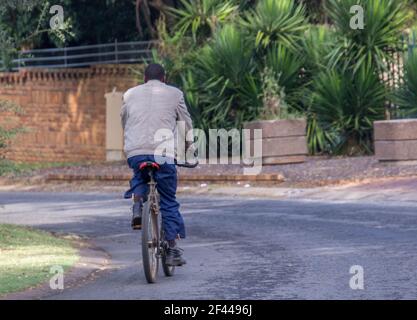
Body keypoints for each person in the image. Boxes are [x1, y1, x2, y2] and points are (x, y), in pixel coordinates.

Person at [120, 63, 193, 266]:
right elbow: (186, 124)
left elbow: (124, 121)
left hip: (136, 151)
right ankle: (171, 249)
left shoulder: (129, 94)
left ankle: (137, 205)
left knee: (139, 175)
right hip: (163, 154)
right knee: (168, 200)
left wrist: (130, 144)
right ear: (164, 78)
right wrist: (189, 148)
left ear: (144, 79)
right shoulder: (175, 94)